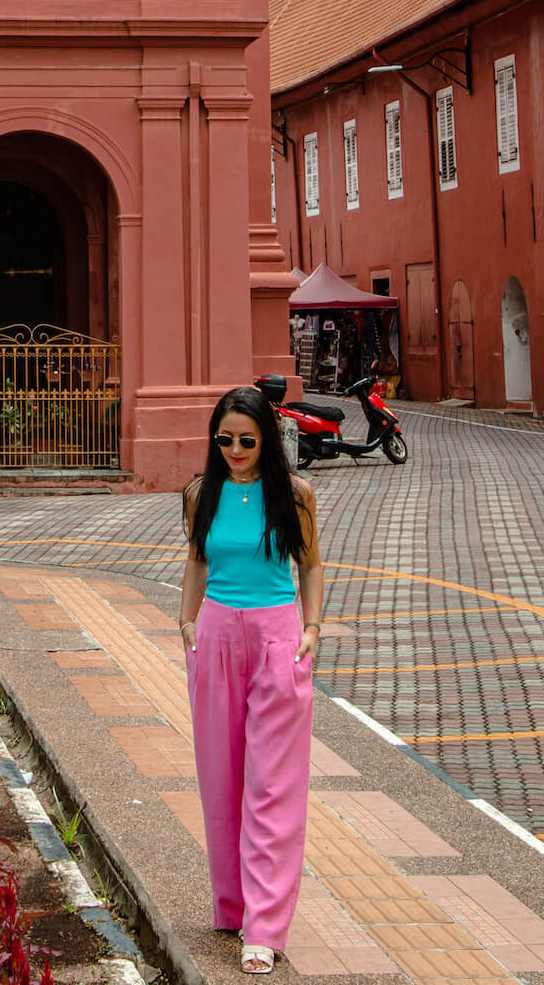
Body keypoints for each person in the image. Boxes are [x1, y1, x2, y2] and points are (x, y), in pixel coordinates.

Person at [178, 386, 323, 975]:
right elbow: (196, 560)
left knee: (271, 784)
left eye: (246, 439)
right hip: (214, 637)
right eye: (224, 440)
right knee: (221, 777)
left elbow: (310, 565)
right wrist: (186, 621)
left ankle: (264, 926)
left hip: (277, 638)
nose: (235, 450)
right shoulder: (200, 494)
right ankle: (232, 905)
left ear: (267, 438)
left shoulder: (295, 494)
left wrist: (313, 628)